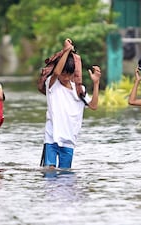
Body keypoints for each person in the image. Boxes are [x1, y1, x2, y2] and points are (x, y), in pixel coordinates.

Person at [42, 38, 101, 169]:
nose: (65, 77)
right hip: (51, 137)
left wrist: (96, 83)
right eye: (63, 74)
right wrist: (67, 51)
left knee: (65, 176)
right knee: (49, 172)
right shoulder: (52, 85)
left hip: (69, 140)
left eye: (69, 74)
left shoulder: (79, 90)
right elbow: (57, 72)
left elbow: (94, 105)